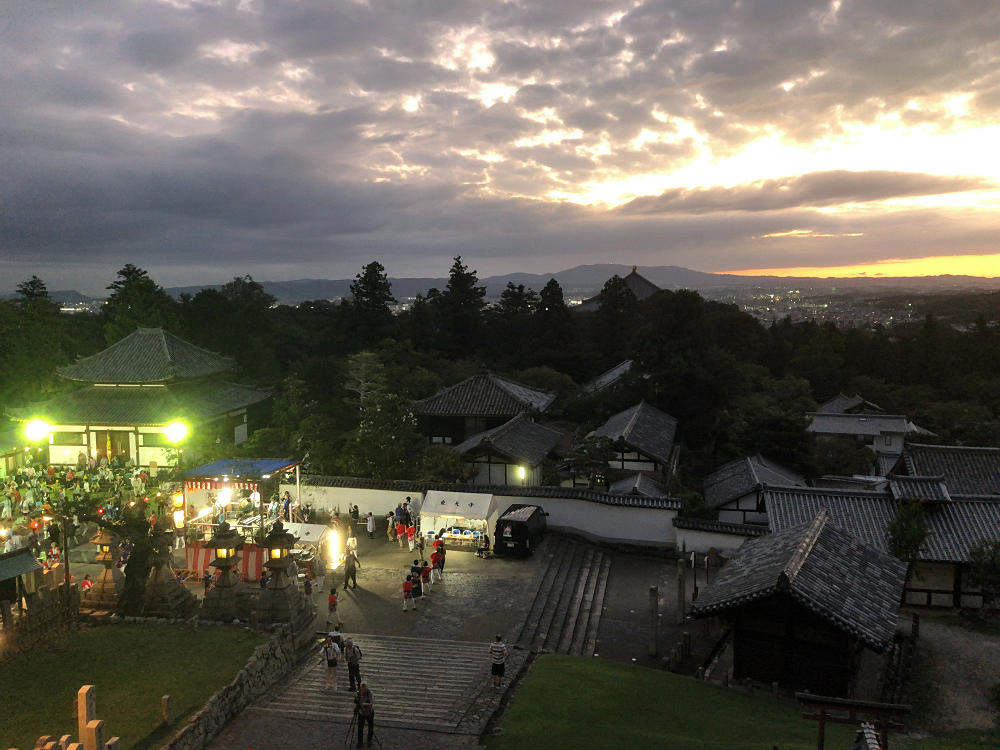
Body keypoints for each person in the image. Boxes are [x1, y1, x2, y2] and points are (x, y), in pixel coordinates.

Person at [355, 683, 374, 747]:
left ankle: (369, 740)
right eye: (362, 689)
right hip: (361, 713)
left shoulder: (370, 693)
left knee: (370, 727)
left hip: (369, 713)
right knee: (360, 728)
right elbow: (356, 701)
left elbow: (371, 703)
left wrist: (363, 704)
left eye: (364, 689)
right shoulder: (358, 693)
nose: (363, 691)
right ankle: (360, 742)